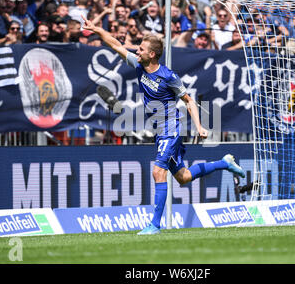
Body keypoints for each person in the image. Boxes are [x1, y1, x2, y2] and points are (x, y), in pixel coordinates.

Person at [81, 14, 246, 235]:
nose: (136, 51)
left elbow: (189, 101)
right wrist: (97, 30)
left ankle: (155, 226)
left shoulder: (168, 76)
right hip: (160, 131)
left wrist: (199, 126)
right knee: (184, 177)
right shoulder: (139, 65)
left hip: (170, 129)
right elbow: (116, 45)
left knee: (158, 172)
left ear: (151, 54)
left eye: (140, 49)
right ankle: (224, 163)